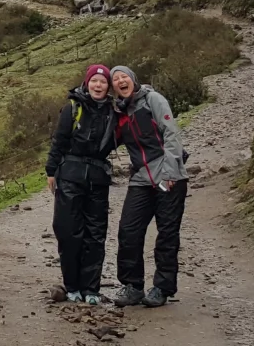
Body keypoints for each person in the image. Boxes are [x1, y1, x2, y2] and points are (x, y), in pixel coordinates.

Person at [108, 65, 187, 308]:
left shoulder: (152, 99)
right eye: (116, 80)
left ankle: (162, 288)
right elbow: (108, 140)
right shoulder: (121, 113)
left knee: (166, 233)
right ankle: (132, 286)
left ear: (133, 79)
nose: (121, 81)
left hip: (167, 181)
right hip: (142, 180)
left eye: (124, 76)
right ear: (114, 89)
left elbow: (171, 133)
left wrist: (171, 172)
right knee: (128, 231)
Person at [46, 63, 117, 304]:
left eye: (103, 82)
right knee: (68, 231)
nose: (98, 85)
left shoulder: (114, 111)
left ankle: (91, 290)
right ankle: (72, 286)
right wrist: (51, 171)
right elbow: (59, 140)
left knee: (95, 235)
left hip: (98, 178)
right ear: (87, 83)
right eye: (94, 81)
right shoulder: (72, 107)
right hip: (70, 175)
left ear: (108, 87)